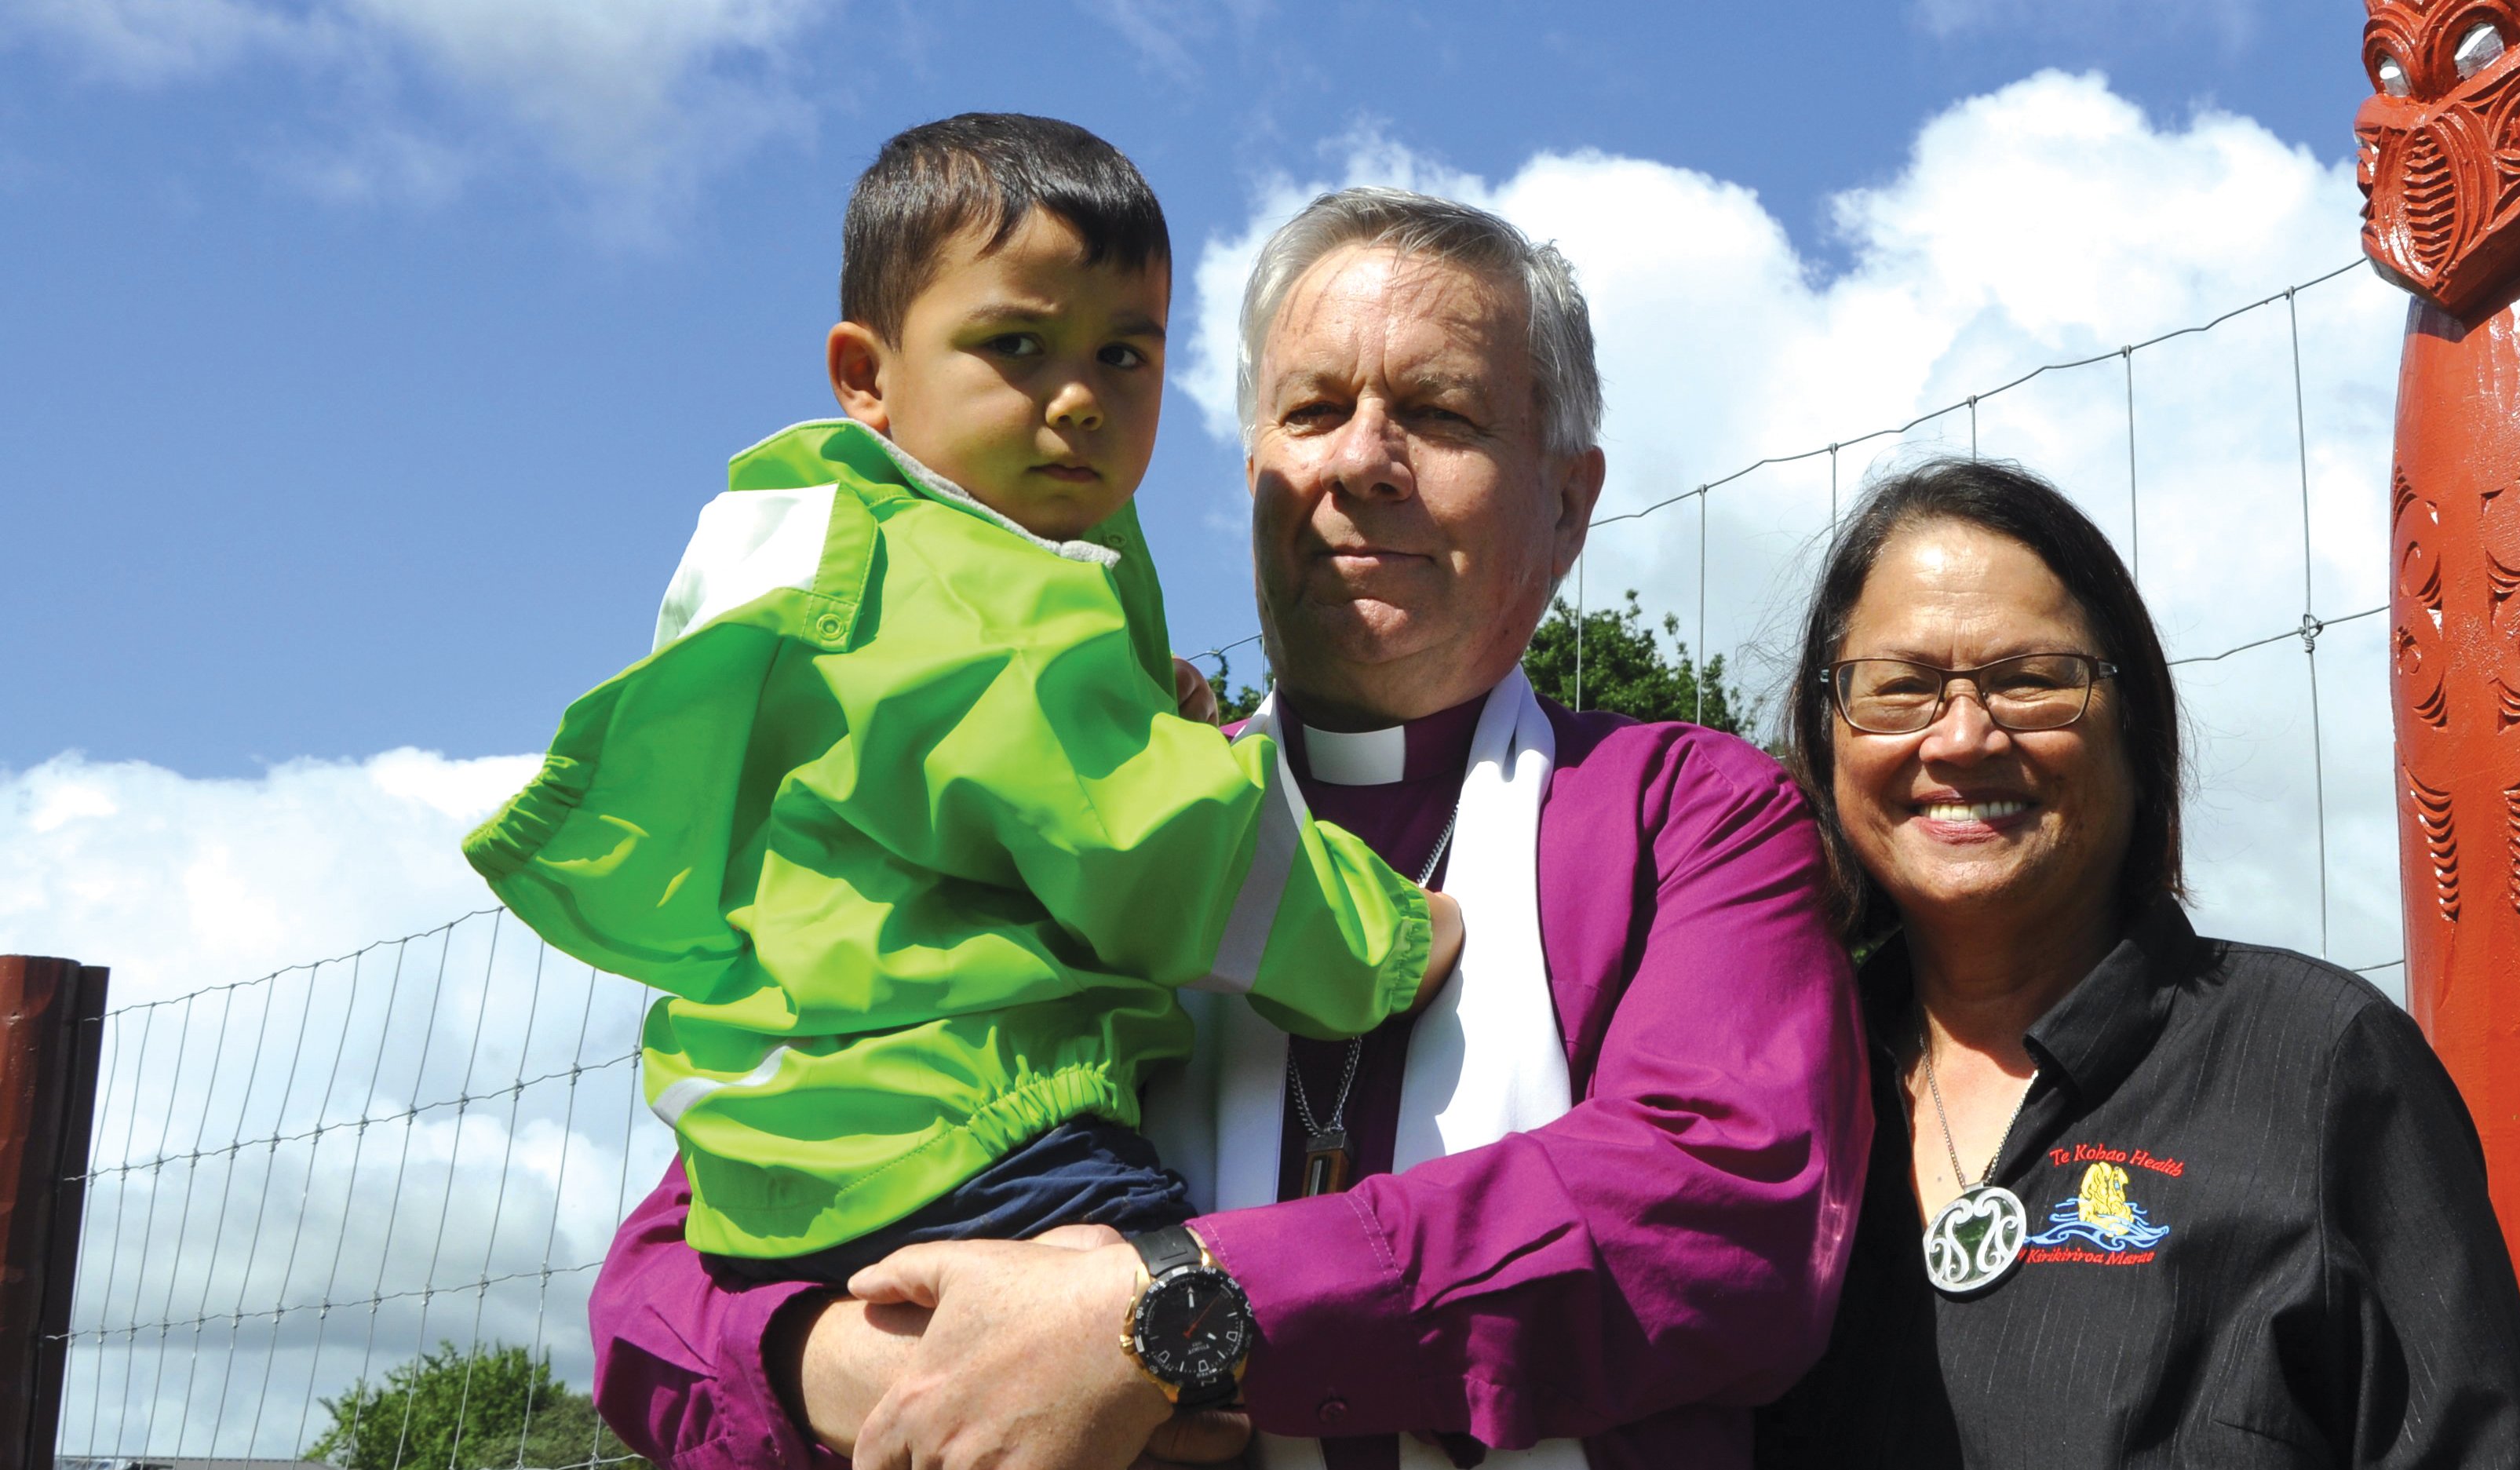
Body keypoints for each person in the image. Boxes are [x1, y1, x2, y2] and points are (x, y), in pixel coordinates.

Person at [583, 188, 1872, 1470]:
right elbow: (666, 1276)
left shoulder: (1689, 811)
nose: (1359, 461)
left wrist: (1157, 1312)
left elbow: (1719, 1210)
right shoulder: (1053, 799)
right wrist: (840, 1360)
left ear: (1568, 500)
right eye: (1310, 411)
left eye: (1437, 414)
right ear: (1253, 475)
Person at [469, 116, 1464, 1299]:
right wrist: (1388, 938)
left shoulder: (840, 561)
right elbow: (1153, 837)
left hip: (798, 1148)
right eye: (1017, 346)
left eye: (1124, 356)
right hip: (989, 1125)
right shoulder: (985, 595)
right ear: (865, 377)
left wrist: (1140, 699)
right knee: (1168, 1367)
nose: (1081, 397)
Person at [1753, 459, 2520, 1468]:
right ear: (1825, 734)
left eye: (2030, 680)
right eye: (1900, 688)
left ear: (2131, 722)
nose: (1960, 737)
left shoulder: (2321, 1067)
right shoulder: (1762, 1079)